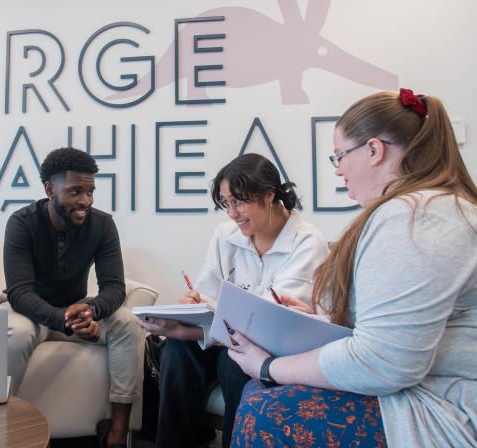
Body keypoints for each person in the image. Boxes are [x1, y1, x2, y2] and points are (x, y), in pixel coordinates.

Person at [227, 89, 477, 447]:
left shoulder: (416, 216)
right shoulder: (424, 210)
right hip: (423, 387)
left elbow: (384, 361)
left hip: (443, 407)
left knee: (266, 408)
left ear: (374, 150)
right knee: (257, 390)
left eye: (340, 156)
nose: (339, 169)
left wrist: (268, 367)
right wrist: (316, 318)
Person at [140, 153, 329, 448]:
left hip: (270, 348)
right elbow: (208, 296)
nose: (232, 213)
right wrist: (192, 304)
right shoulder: (226, 235)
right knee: (176, 349)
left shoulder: (306, 243)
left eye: (239, 202)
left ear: (269, 195)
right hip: (225, 338)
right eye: (226, 204)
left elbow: (267, 324)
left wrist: (196, 325)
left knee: (235, 363)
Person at [1, 147, 143, 448]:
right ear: (50, 188)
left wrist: (92, 310)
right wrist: (64, 320)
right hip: (30, 312)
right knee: (16, 332)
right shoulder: (22, 223)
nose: (86, 201)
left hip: (77, 311)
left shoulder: (102, 224)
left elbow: (114, 287)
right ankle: (2, 429)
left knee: (129, 324)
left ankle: (117, 434)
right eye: (76, 191)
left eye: (90, 192)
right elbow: (19, 292)